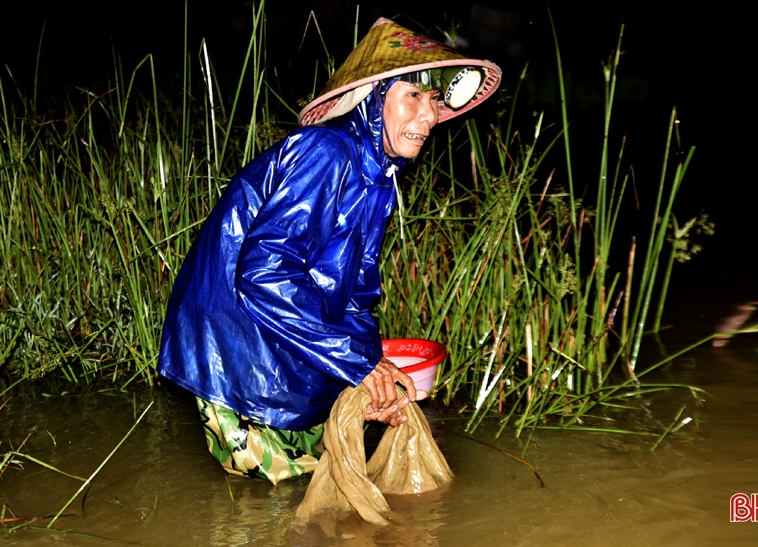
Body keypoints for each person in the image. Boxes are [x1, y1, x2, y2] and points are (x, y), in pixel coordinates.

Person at [157, 17, 501, 483]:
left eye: (435, 100)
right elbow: (264, 274)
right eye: (413, 96)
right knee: (271, 490)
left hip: (282, 333)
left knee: (321, 470)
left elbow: (355, 292)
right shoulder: (326, 152)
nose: (429, 116)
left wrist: (371, 369)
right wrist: (357, 366)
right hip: (235, 337)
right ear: (373, 100)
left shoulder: (379, 178)